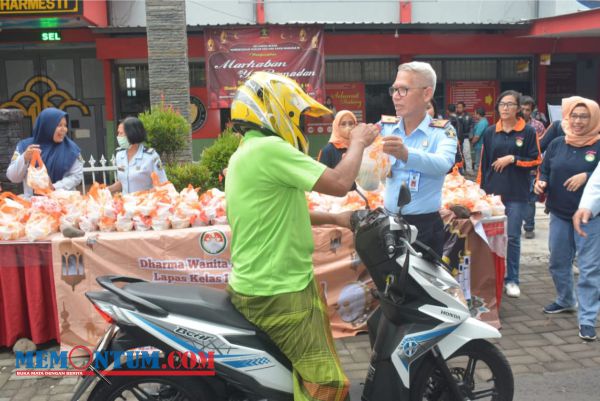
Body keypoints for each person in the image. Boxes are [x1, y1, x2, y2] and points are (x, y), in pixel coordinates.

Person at [225, 71, 378, 401]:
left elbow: (277, 211)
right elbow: (339, 182)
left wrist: (335, 218)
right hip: (280, 289)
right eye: (301, 118)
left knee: (304, 373)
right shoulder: (269, 149)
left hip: (267, 282)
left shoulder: (245, 152)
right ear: (281, 112)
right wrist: (359, 142)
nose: (304, 127)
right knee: (328, 385)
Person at [535, 96, 600, 341]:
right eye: (574, 115)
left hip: (590, 218)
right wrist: (540, 182)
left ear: (593, 119)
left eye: (584, 116)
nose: (578, 121)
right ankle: (565, 299)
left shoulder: (598, 145)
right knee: (558, 261)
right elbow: (545, 168)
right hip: (560, 214)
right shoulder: (558, 143)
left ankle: (587, 318)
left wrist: (587, 174)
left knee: (589, 268)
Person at [381, 61, 457, 256]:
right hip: (389, 222)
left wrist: (406, 154)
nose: (396, 96)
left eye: (403, 90)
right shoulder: (385, 127)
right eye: (394, 89)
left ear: (426, 94)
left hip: (424, 225)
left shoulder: (443, 131)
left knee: (422, 285)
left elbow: (442, 164)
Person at [477, 90, 541, 298]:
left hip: (517, 193)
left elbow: (536, 160)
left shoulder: (528, 132)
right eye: (502, 104)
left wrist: (513, 158)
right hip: (493, 194)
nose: (505, 108)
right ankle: (491, 277)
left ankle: (512, 279)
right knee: (489, 238)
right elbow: (483, 163)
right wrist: (480, 189)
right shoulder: (489, 131)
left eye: (510, 105)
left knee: (512, 237)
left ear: (518, 108)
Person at [7, 107, 83, 197]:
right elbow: (12, 177)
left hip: (62, 203)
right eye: (59, 125)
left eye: (65, 125)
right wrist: (25, 158)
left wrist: (54, 187)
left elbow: (76, 176)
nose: (64, 129)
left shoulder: (71, 149)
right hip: (33, 205)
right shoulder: (25, 146)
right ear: (47, 126)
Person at [107, 117, 168, 194]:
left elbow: (163, 185)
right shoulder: (120, 155)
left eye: (121, 133)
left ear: (132, 134)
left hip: (144, 204)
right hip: (125, 204)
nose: (118, 137)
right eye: (118, 133)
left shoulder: (151, 156)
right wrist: (107, 190)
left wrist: (146, 195)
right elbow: (124, 182)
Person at [520, 96, 546, 239]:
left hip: (532, 168)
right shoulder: (511, 124)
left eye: (527, 110)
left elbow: (542, 149)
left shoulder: (538, 126)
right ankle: (515, 225)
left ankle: (529, 227)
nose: (524, 112)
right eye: (522, 109)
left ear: (532, 110)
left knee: (530, 200)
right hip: (515, 169)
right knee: (515, 199)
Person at [457, 101, 474, 172]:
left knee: (467, 154)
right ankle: (461, 171)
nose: (458, 109)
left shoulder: (468, 116)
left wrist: (470, 136)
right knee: (459, 155)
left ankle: (469, 170)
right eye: (457, 107)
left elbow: (472, 126)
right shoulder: (455, 116)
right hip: (457, 139)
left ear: (464, 108)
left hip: (466, 137)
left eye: (460, 107)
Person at [471, 107, 488, 172]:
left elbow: (477, 136)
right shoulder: (482, 122)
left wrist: (472, 143)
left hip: (479, 145)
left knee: (478, 163)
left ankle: (477, 177)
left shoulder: (482, 123)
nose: (474, 115)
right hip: (480, 145)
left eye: (475, 114)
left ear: (479, 114)